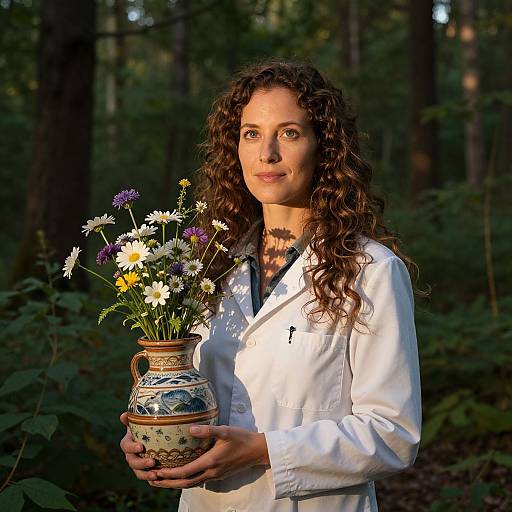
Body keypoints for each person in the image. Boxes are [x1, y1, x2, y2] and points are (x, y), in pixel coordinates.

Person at [119, 59, 422, 512]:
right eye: (252, 134)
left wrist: (262, 450)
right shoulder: (205, 268)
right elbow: (191, 395)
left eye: (290, 133)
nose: (268, 154)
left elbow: (393, 434)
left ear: (325, 147)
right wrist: (152, 436)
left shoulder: (371, 271)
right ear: (234, 147)